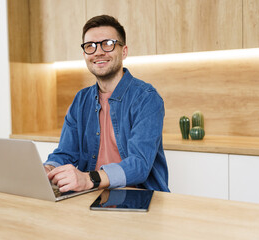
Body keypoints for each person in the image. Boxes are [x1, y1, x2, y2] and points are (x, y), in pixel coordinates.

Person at [44, 15, 169, 193]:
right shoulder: (81, 100)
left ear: (124, 51)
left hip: (139, 197)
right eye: (90, 46)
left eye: (108, 44)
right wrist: (47, 169)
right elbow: (66, 153)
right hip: (92, 195)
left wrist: (88, 179)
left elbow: (139, 164)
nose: (98, 52)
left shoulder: (147, 98)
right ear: (85, 54)